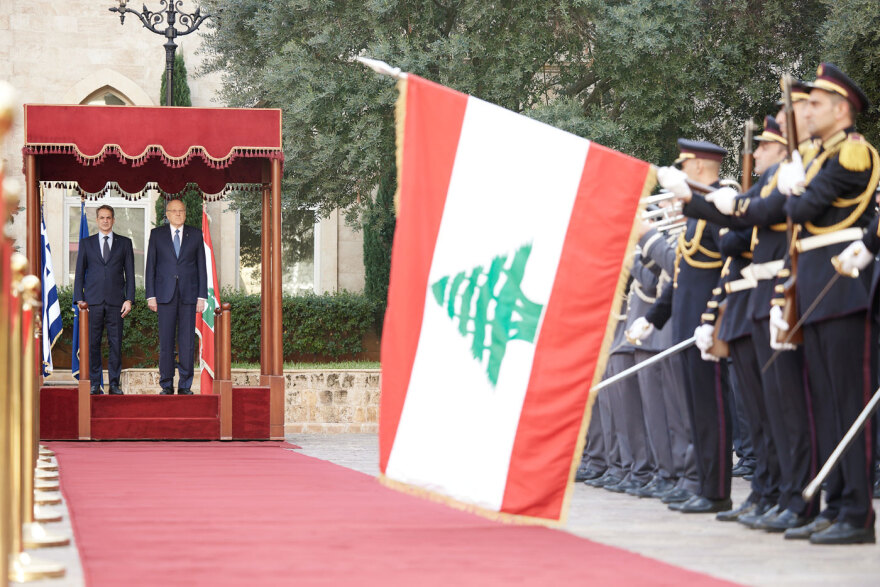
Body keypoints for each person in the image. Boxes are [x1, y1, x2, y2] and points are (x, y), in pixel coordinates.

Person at [775, 63, 878, 545]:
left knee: (848, 405)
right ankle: (835, 503)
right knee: (827, 406)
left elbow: (801, 211)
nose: (807, 111)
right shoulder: (818, 158)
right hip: (817, 282)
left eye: (816, 104)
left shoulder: (852, 154)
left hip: (842, 284)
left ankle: (856, 512)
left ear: (841, 110)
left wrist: (795, 187)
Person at [628, 139, 732, 514]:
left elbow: (730, 265)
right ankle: (704, 485)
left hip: (707, 326)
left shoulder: (721, 205)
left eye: (685, 165)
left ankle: (717, 489)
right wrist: (652, 318)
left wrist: (713, 317)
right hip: (686, 326)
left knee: (712, 410)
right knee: (697, 409)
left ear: (701, 167)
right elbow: (680, 277)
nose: (681, 172)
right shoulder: (696, 214)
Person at [145, 199, 207, 395]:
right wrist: (150, 295)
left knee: (187, 342)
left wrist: (202, 297)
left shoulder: (196, 234)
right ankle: (166, 384)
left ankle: (185, 385)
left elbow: (201, 267)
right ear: (168, 214)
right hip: (164, 296)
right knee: (166, 341)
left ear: (185, 213)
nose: (178, 214)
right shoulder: (157, 235)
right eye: (174, 211)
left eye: (181, 210)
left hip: (189, 296)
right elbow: (150, 267)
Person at [73, 204, 135, 395]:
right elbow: (79, 274)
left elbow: (130, 274)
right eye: (102, 217)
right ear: (97, 220)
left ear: (113, 220)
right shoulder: (86, 243)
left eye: (108, 217)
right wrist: (79, 301)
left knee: (116, 343)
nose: (105, 221)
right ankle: (94, 383)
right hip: (92, 303)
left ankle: (114, 384)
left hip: (117, 302)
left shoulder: (124, 243)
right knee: (93, 344)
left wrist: (129, 299)